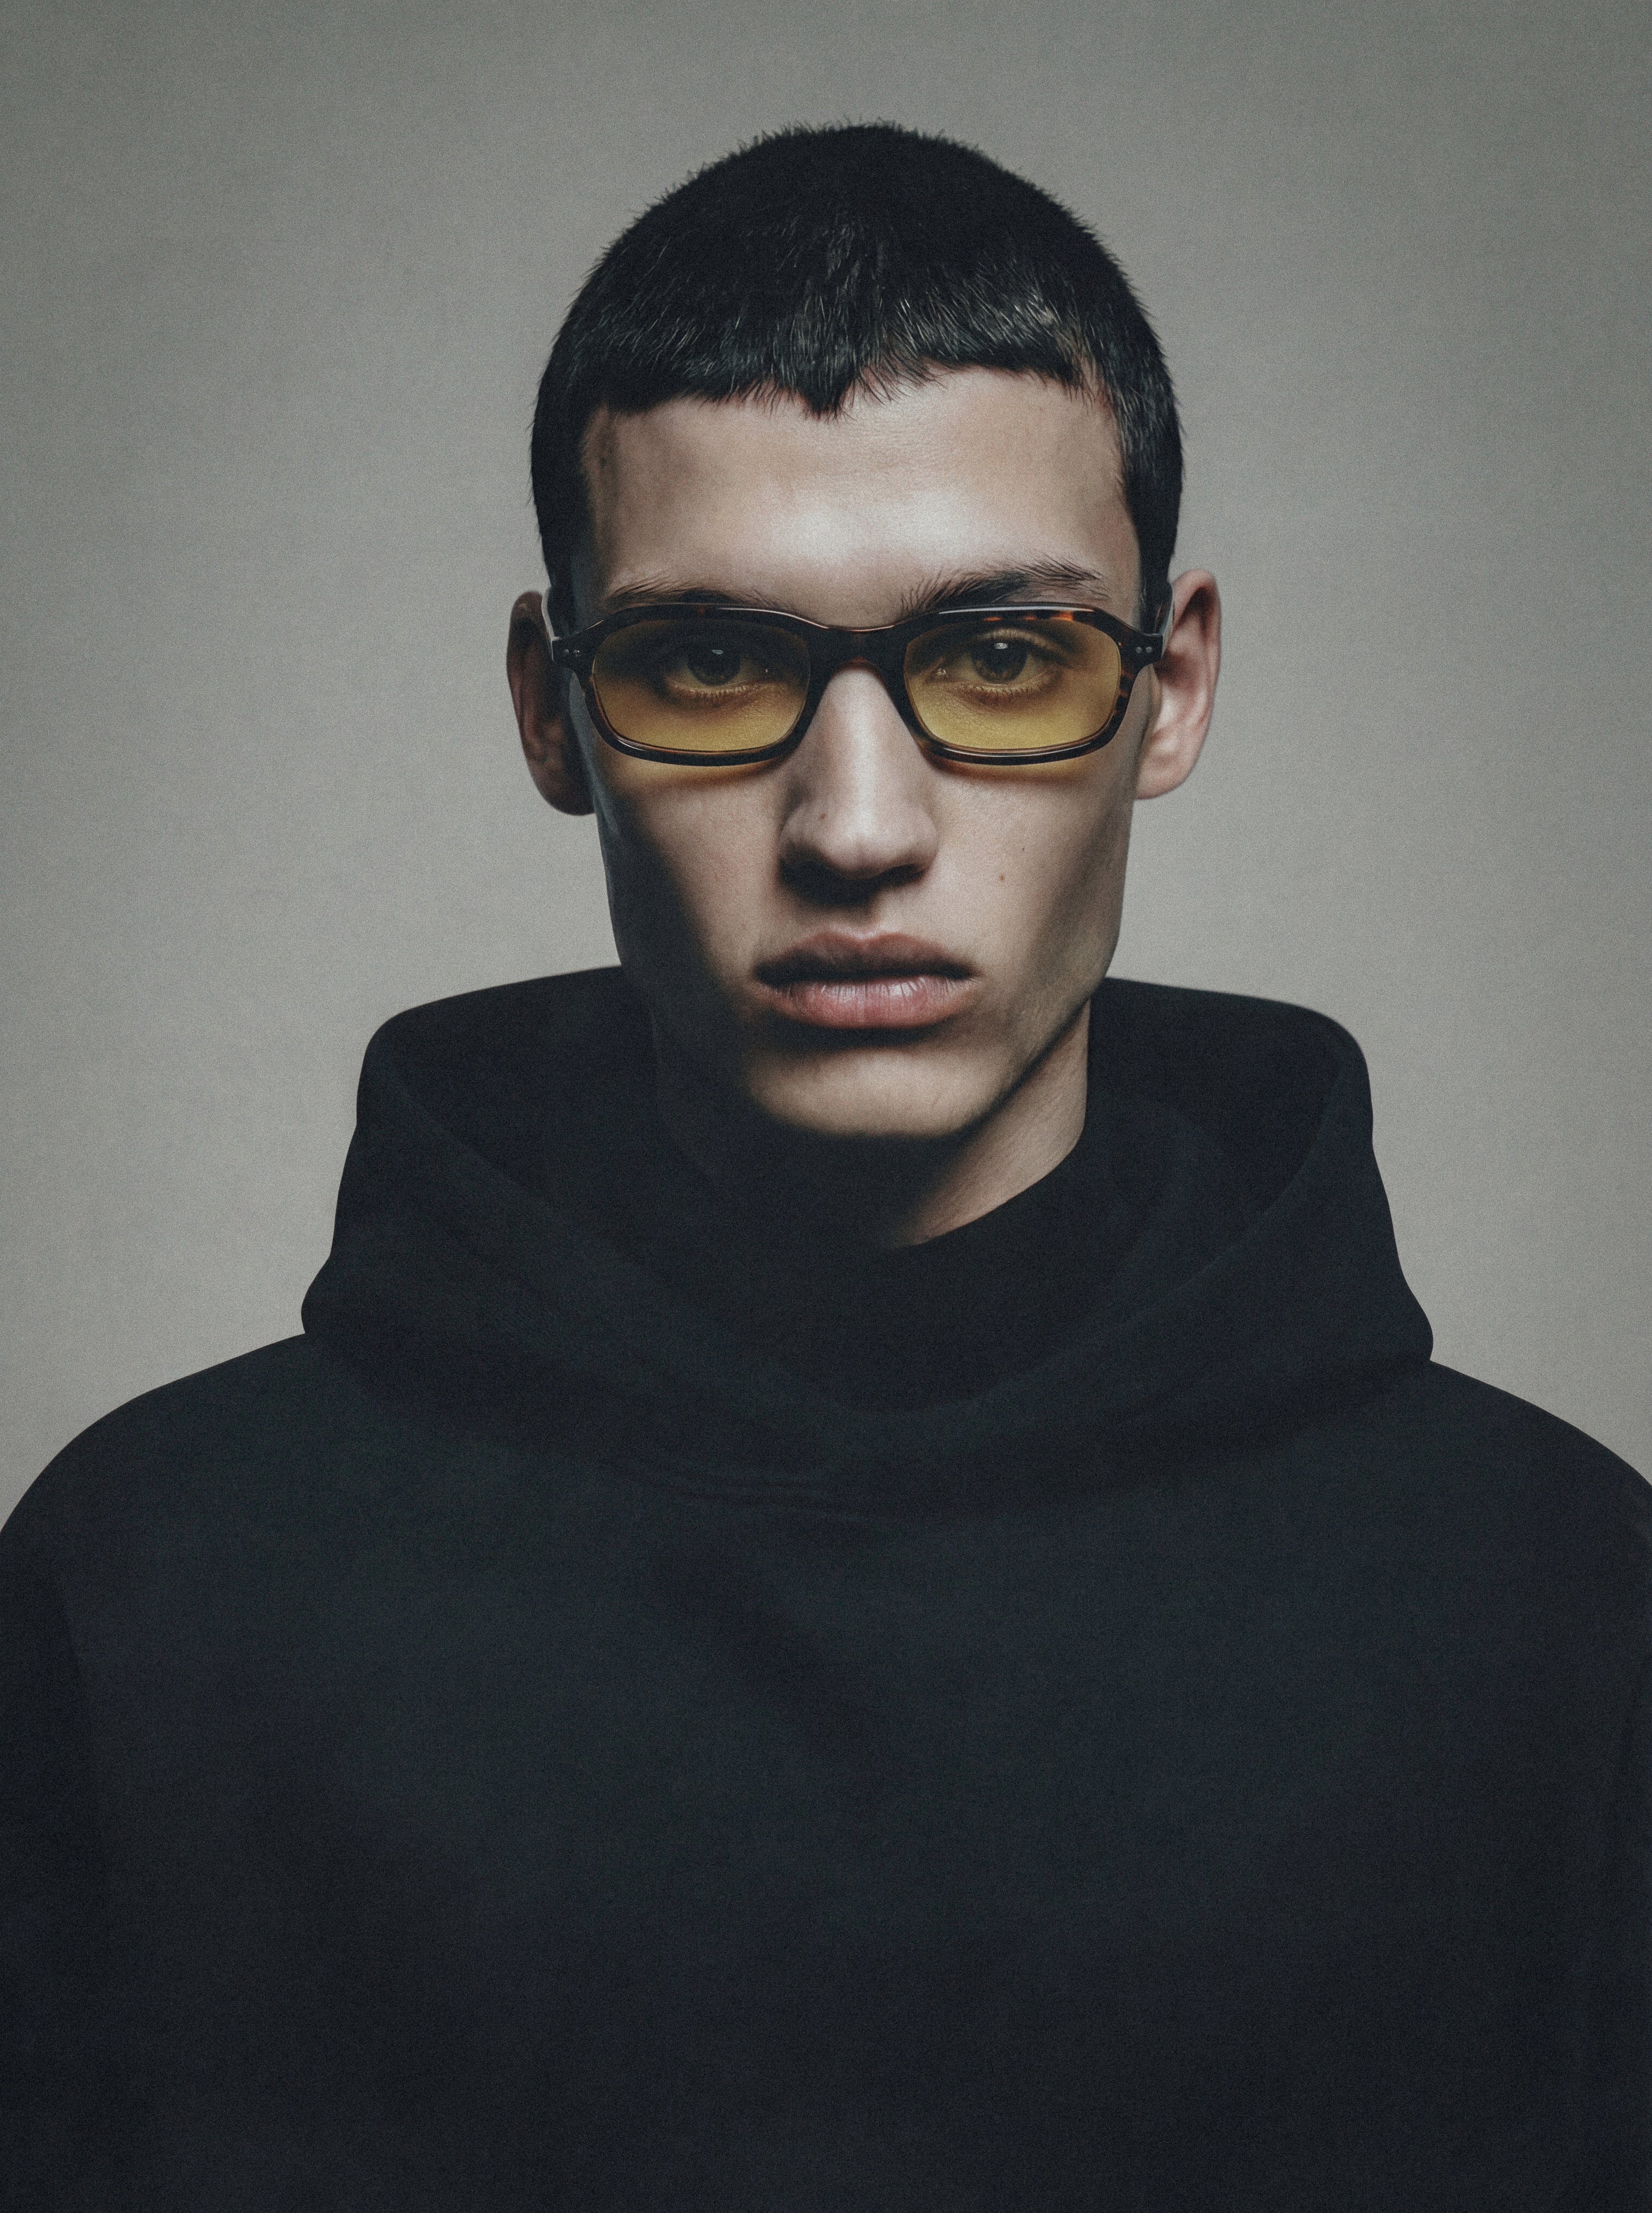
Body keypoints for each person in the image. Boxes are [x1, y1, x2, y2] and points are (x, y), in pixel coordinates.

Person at [1, 122, 1646, 2211]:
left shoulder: (1557, 1612)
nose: (857, 826)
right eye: (708, 662)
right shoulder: (151, 1593)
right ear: (550, 712)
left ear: (1170, 689)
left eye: (1001, 658)